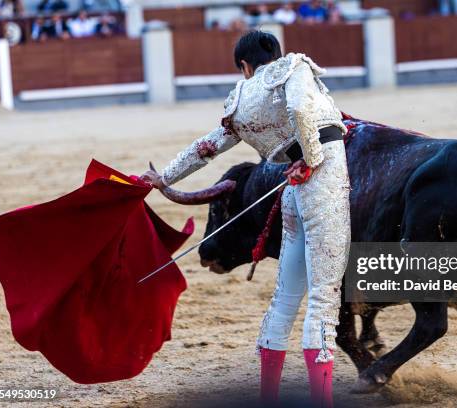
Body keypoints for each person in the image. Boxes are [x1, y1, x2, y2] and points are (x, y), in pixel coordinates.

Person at [141, 31, 350, 408]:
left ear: (244, 66)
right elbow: (302, 110)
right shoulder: (294, 68)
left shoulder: (240, 99)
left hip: (292, 191)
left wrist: (164, 177)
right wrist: (314, 157)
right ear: (276, 54)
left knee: (284, 298)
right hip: (322, 179)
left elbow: (206, 147)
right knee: (323, 299)